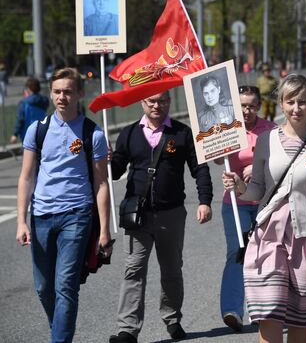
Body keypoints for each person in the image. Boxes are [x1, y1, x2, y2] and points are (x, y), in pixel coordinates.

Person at [222, 74, 306, 343]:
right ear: (280, 104)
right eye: (290, 102)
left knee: (300, 320)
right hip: (269, 237)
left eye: (302, 102)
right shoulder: (266, 140)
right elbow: (259, 190)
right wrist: (240, 186)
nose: (296, 108)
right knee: (270, 314)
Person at [15, 67, 112, 342]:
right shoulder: (38, 130)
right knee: (44, 287)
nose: (62, 97)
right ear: (50, 94)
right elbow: (26, 177)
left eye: (68, 91)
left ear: (80, 93)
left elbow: (101, 184)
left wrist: (104, 231)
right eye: (57, 91)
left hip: (77, 216)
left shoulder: (92, 133)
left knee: (65, 286)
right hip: (42, 216)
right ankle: (59, 327)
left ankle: (60, 339)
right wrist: (22, 220)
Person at [108, 91, 213, 343]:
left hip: (171, 214)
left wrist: (205, 201)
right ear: (142, 102)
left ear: (169, 101)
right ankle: (127, 330)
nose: (157, 105)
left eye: (163, 100)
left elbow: (199, 168)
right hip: (138, 215)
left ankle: (172, 319)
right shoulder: (129, 133)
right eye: (151, 101)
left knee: (172, 270)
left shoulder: (182, 133)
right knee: (133, 270)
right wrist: (108, 161)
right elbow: (115, 172)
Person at [213, 85, 276, 332]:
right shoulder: (228, 129)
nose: (246, 110)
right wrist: (217, 142)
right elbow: (218, 159)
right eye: (242, 106)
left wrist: (259, 167)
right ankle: (232, 310)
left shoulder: (270, 130)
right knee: (238, 254)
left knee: (263, 257)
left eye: (251, 105)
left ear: (258, 106)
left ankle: (260, 309)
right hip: (235, 204)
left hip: (263, 203)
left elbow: (282, 162)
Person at [10, 76, 49, 144]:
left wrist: (15, 134)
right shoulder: (44, 101)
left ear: (28, 88)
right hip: (42, 133)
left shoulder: (24, 103)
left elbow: (20, 119)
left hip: (27, 134)